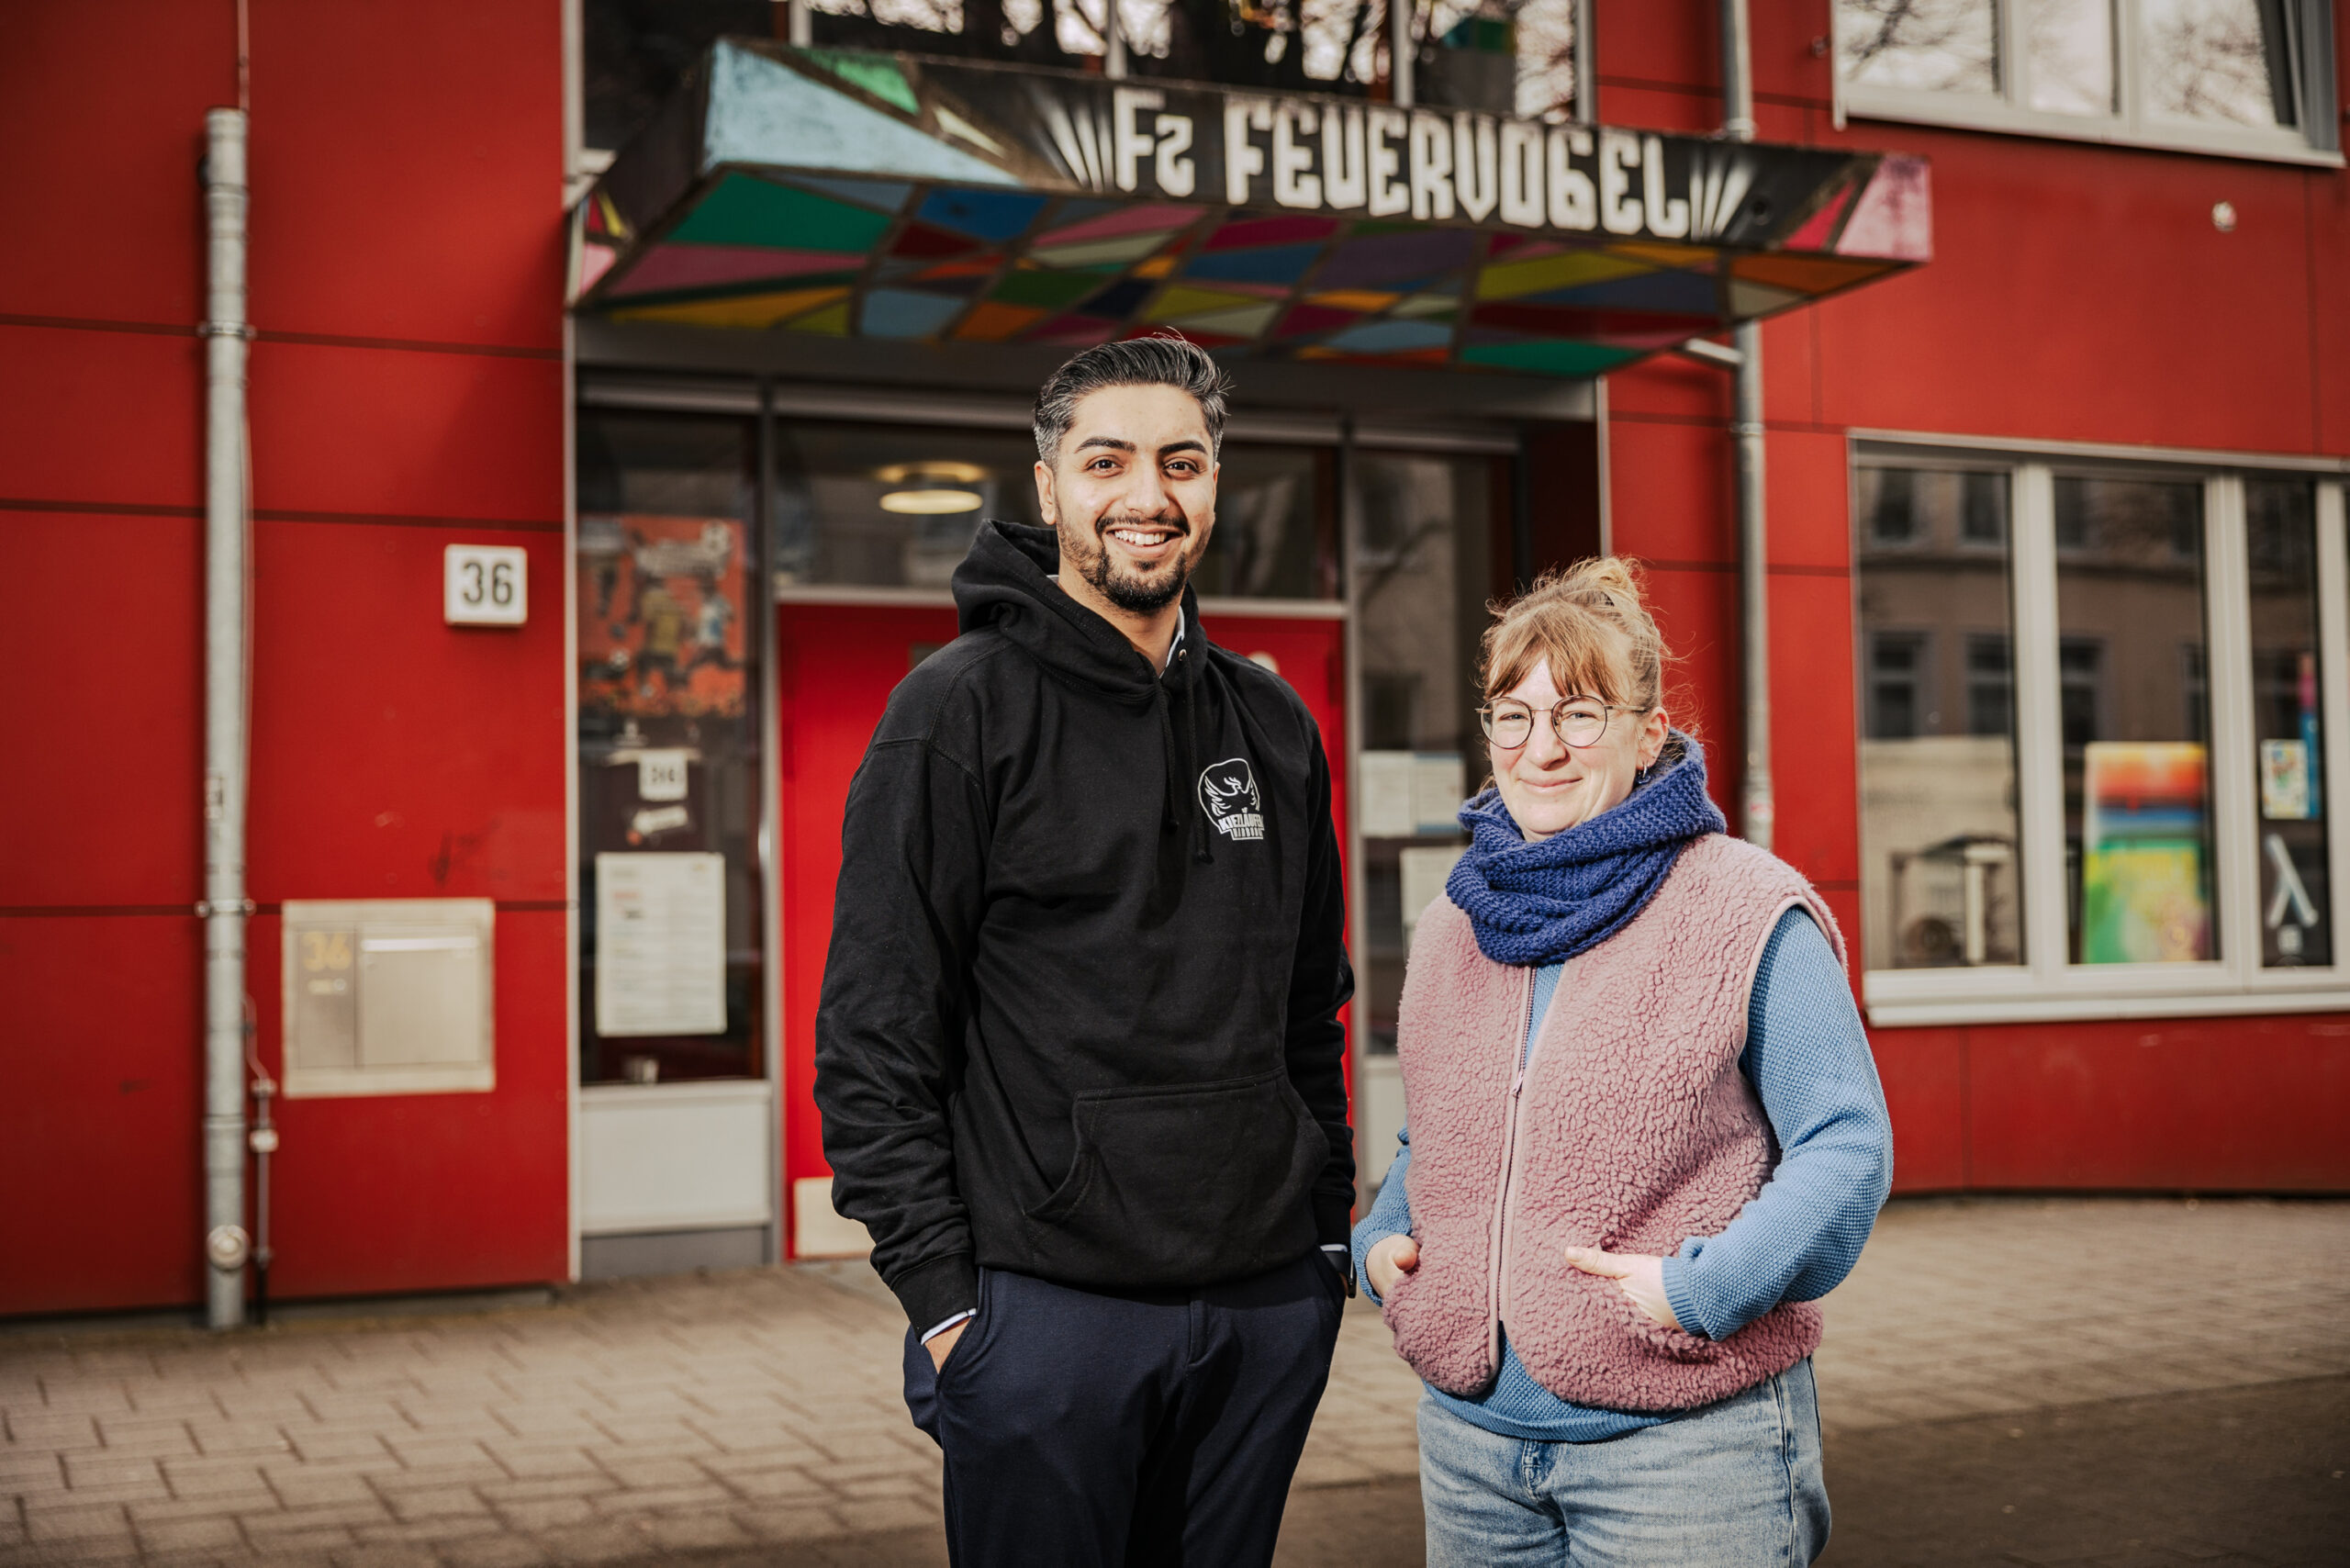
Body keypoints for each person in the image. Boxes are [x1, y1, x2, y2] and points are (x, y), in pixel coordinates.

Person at [814, 336, 1356, 1568]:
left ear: (1216, 483)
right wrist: (951, 1305)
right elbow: (874, 1032)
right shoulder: (956, 712)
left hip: (1263, 1312)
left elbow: (1304, 1013)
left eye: (1182, 461)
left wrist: (1321, 1250)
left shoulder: (1272, 725)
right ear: (1049, 484)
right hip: (1046, 1320)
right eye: (1107, 460)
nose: (1147, 495)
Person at [1351, 559, 1894, 1566]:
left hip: (1683, 1453)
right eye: (1512, 717)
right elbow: (1435, 1130)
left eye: (1580, 715)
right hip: (1472, 1449)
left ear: (1649, 734)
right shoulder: (1453, 923)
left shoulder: (1742, 907)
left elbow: (1845, 1144)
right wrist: (1384, 1240)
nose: (1541, 749)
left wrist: (1706, 1288)